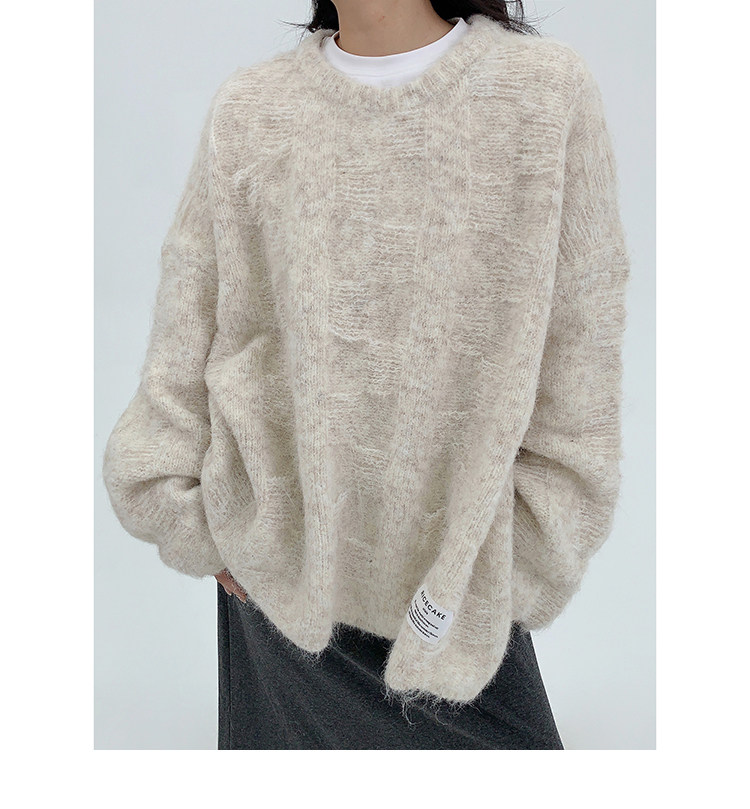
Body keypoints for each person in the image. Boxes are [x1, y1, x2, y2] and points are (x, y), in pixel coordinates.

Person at [102, 0, 630, 750]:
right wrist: (199, 526)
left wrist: (519, 563)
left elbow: (580, 359)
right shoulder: (251, 109)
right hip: (278, 593)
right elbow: (189, 332)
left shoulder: (543, 94)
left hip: (458, 599)